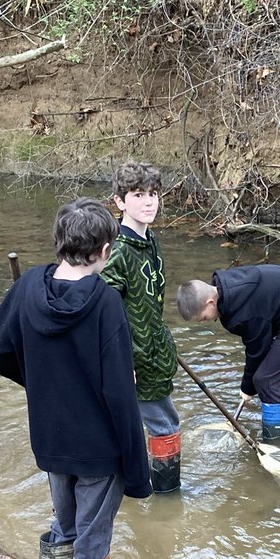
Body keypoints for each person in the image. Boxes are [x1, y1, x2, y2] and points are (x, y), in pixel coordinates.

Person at [0, 197, 151, 559]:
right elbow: (119, 394)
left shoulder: (27, 288)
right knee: (93, 535)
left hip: (51, 437)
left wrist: (41, 384)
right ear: (104, 251)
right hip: (98, 447)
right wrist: (138, 472)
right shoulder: (106, 303)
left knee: (64, 523)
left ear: (59, 242)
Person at [177, 264, 280, 441]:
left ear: (210, 302)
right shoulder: (226, 286)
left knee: (265, 380)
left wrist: (247, 387)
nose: (205, 322)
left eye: (203, 318)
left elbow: (258, 351)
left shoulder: (244, 310)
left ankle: (278, 442)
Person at [101, 161, 181, 493]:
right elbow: (105, 313)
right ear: (120, 201)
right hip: (134, 359)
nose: (148, 202)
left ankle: (139, 490)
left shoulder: (150, 241)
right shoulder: (117, 252)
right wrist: (122, 362)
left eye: (153, 194)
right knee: (165, 424)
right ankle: (167, 500)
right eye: (138, 195)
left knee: (136, 424)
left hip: (154, 352)